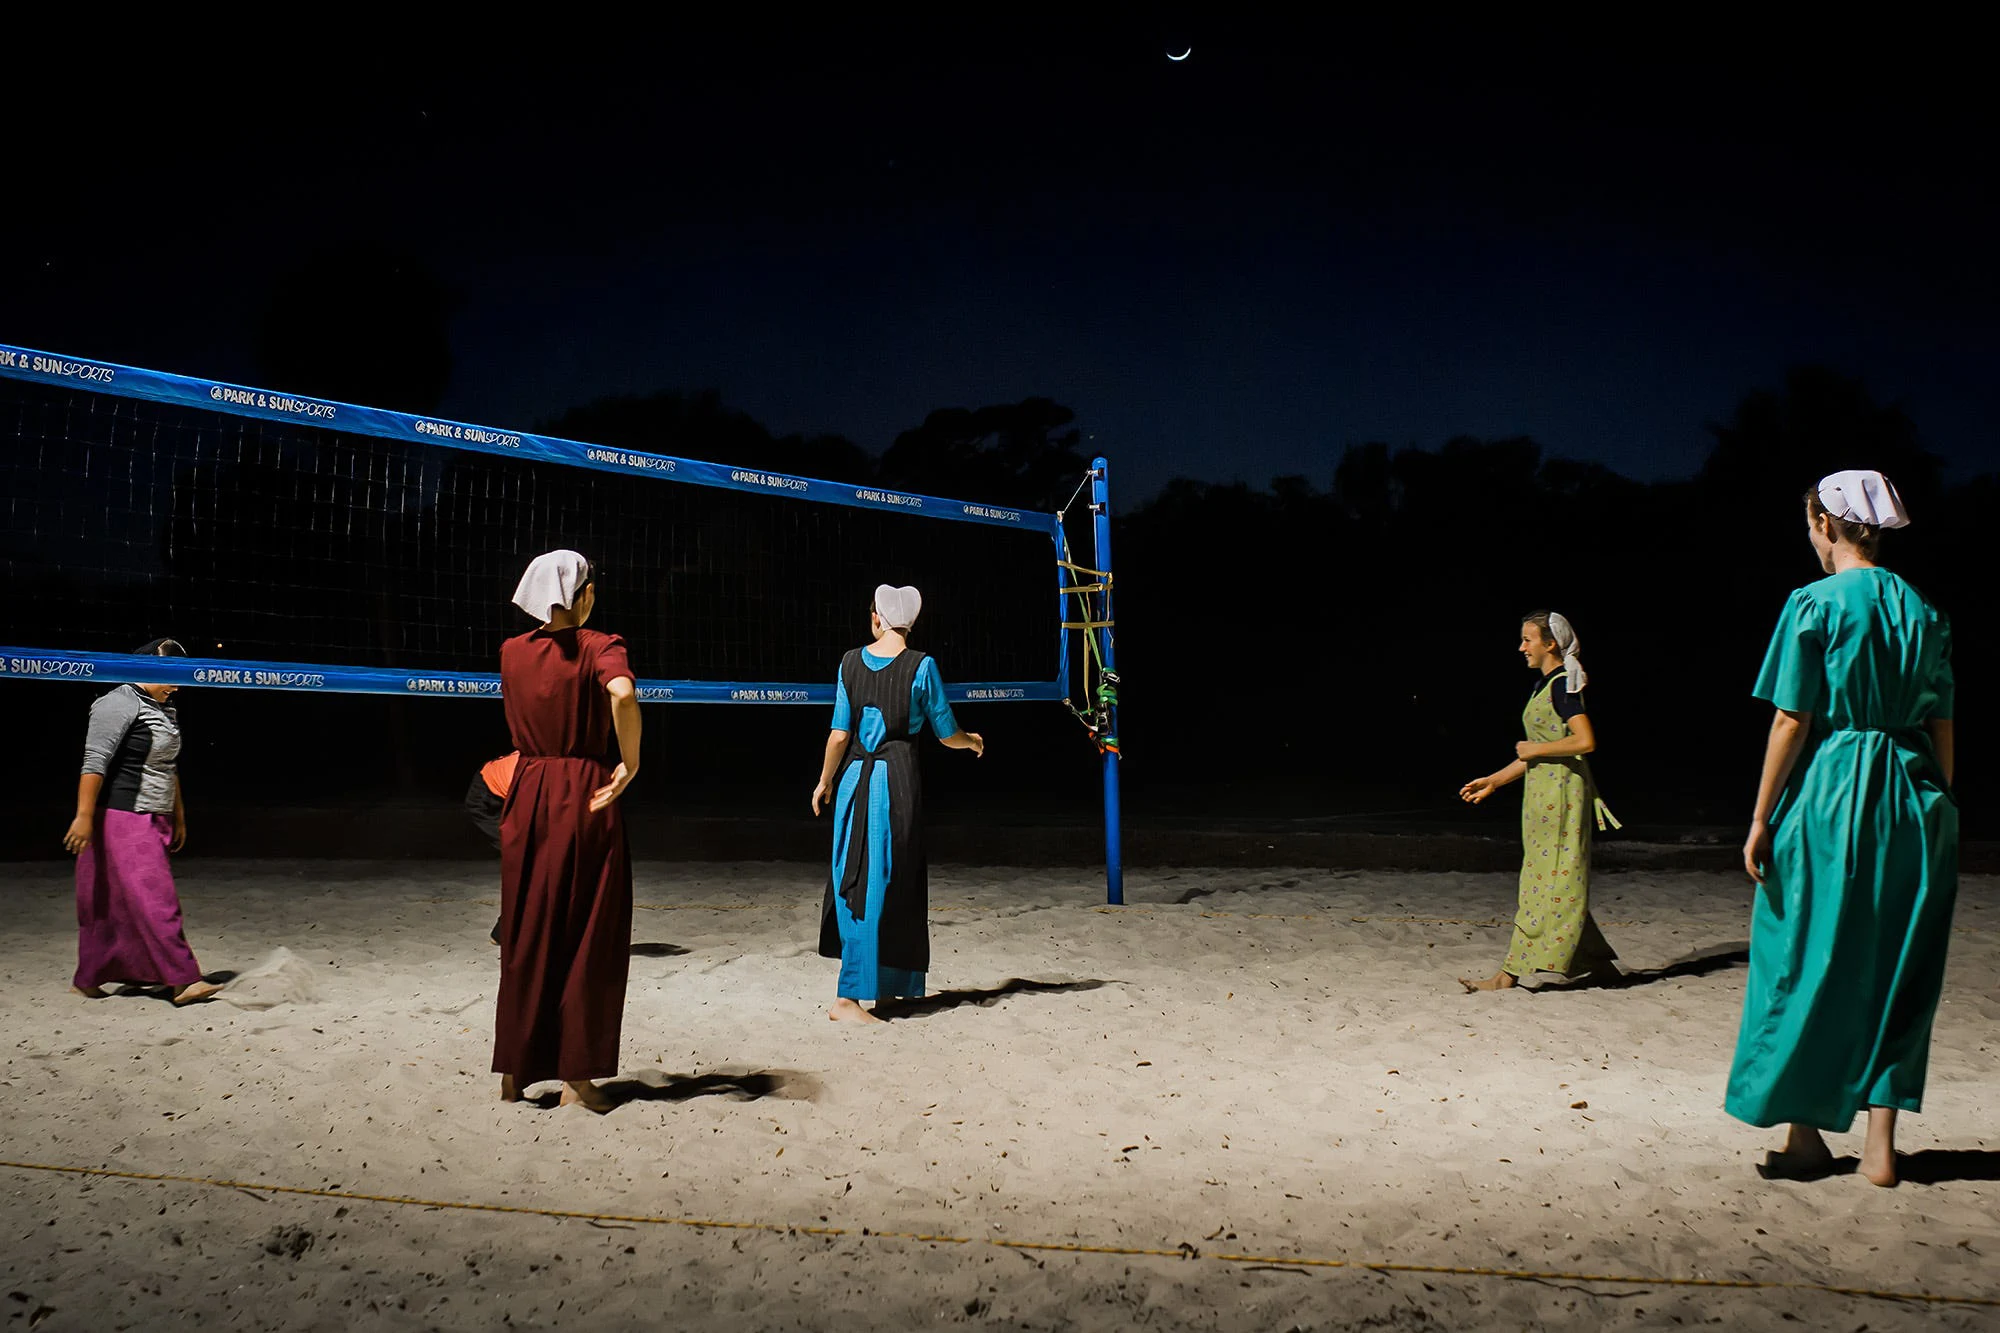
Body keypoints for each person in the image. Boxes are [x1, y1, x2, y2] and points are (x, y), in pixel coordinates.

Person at [1728, 471, 1956, 1188]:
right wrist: (1938, 796)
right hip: (1915, 795)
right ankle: (1880, 1147)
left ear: (1827, 524)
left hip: (1836, 788)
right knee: (1899, 964)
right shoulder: (1925, 611)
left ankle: (1804, 1132)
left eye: (1810, 525)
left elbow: (1791, 718)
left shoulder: (1813, 603)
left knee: (1809, 951)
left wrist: (1762, 815)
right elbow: (1942, 722)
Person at [492, 552, 641, 1112]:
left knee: (527, 934)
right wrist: (632, 762)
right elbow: (622, 694)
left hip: (527, 789)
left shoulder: (510, 652)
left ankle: (514, 1071)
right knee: (588, 934)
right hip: (583, 789)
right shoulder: (600, 644)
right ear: (584, 594)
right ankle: (578, 1078)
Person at [811, 584, 984, 1022]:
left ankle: (887, 991)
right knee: (886, 880)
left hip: (854, 781)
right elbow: (947, 733)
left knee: (866, 880)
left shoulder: (849, 662)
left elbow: (838, 735)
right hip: (897, 784)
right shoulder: (921, 667)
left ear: (875, 618)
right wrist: (972, 743)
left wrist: (824, 781)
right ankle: (847, 999)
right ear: (911, 622)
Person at [1458, 611, 1620, 992]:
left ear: (1550, 644)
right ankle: (1599, 966)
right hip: (1543, 793)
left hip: (1563, 795)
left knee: (1544, 883)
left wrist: (1536, 748)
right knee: (1555, 878)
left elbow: (1585, 741)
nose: (1522, 647)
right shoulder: (1544, 686)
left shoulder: (1564, 685)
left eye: (1528, 640)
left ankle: (1507, 975)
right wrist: (1495, 781)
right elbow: (1535, 754)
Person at [65, 638, 221, 1005]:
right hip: (123, 817)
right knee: (157, 900)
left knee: (114, 902)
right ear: (146, 668)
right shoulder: (118, 702)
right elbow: (94, 761)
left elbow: (167, 764)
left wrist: (178, 813)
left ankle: (89, 977)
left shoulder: (164, 707)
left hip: (154, 813)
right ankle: (184, 981)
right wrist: (84, 817)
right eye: (171, 675)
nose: (178, 684)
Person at [465, 750, 519, 944]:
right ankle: (501, 933)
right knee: (524, 862)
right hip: (485, 796)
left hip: (502, 789)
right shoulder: (535, 769)